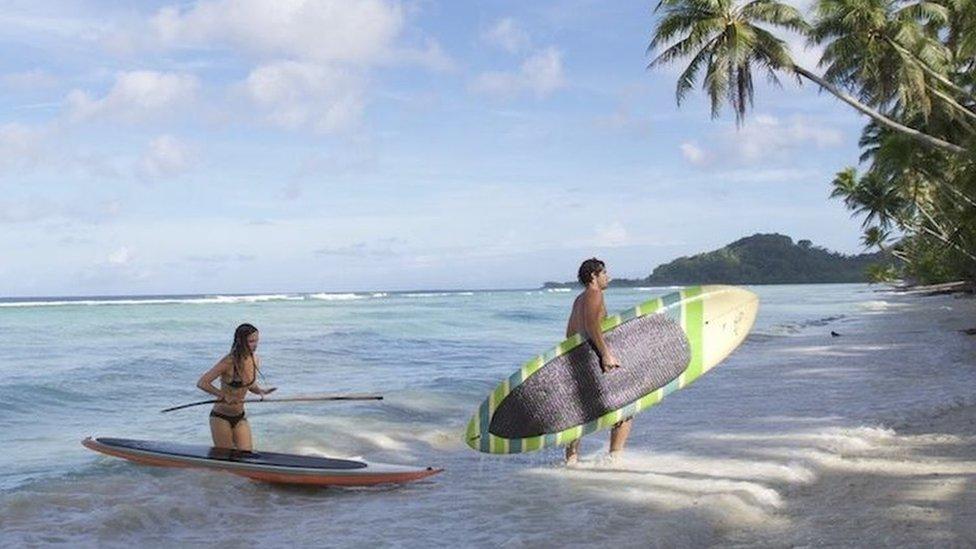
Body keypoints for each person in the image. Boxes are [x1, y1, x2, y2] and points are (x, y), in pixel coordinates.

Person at [563, 258, 631, 465]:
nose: (607, 277)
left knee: (579, 413)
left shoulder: (579, 299)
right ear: (594, 275)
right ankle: (614, 459)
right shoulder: (595, 294)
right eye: (604, 273)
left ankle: (571, 461)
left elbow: (569, 334)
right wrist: (605, 354)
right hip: (594, 360)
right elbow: (593, 325)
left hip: (578, 360)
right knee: (625, 409)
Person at [197, 323, 276, 451]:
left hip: (240, 416)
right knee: (225, 457)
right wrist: (224, 395)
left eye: (256, 341)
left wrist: (260, 391)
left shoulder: (255, 360)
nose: (255, 345)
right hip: (221, 416)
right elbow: (202, 382)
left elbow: (248, 384)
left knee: (246, 454)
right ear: (240, 341)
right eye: (251, 341)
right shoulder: (229, 361)